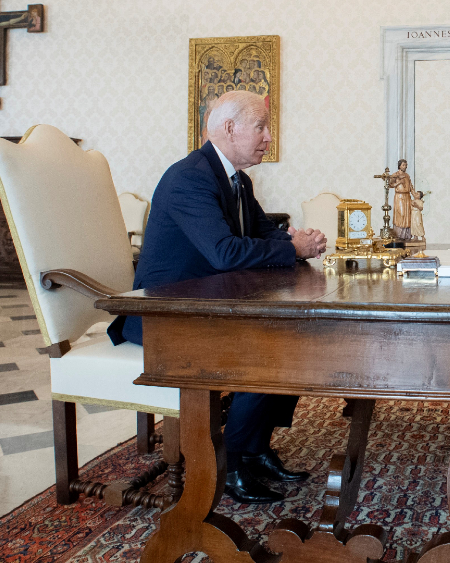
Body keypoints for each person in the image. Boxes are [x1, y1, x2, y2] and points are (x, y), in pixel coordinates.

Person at [108, 91, 327, 505]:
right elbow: (224, 252)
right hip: (164, 316)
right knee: (267, 353)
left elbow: (264, 233)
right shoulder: (189, 177)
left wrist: (299, 240)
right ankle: (230, 464)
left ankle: (256, 449)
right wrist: (291, 250)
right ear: (229, 129)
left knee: (295, 339)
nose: (268, 138)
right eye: (261, 127)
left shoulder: (238, 179)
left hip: (202, 308)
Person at [390, 159, 417, 239]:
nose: (405, 166)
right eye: (403, 165)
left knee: (407, 215)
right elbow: (390, 185)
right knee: (401, 214)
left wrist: (414, 194)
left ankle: (406, 236)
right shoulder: (395, 175)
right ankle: (399, 235)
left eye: (406, 165)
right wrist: (398, 183)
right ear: (399, 166)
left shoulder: (407, 175)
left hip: (407, 196)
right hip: (399, 196)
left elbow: (410, 186)